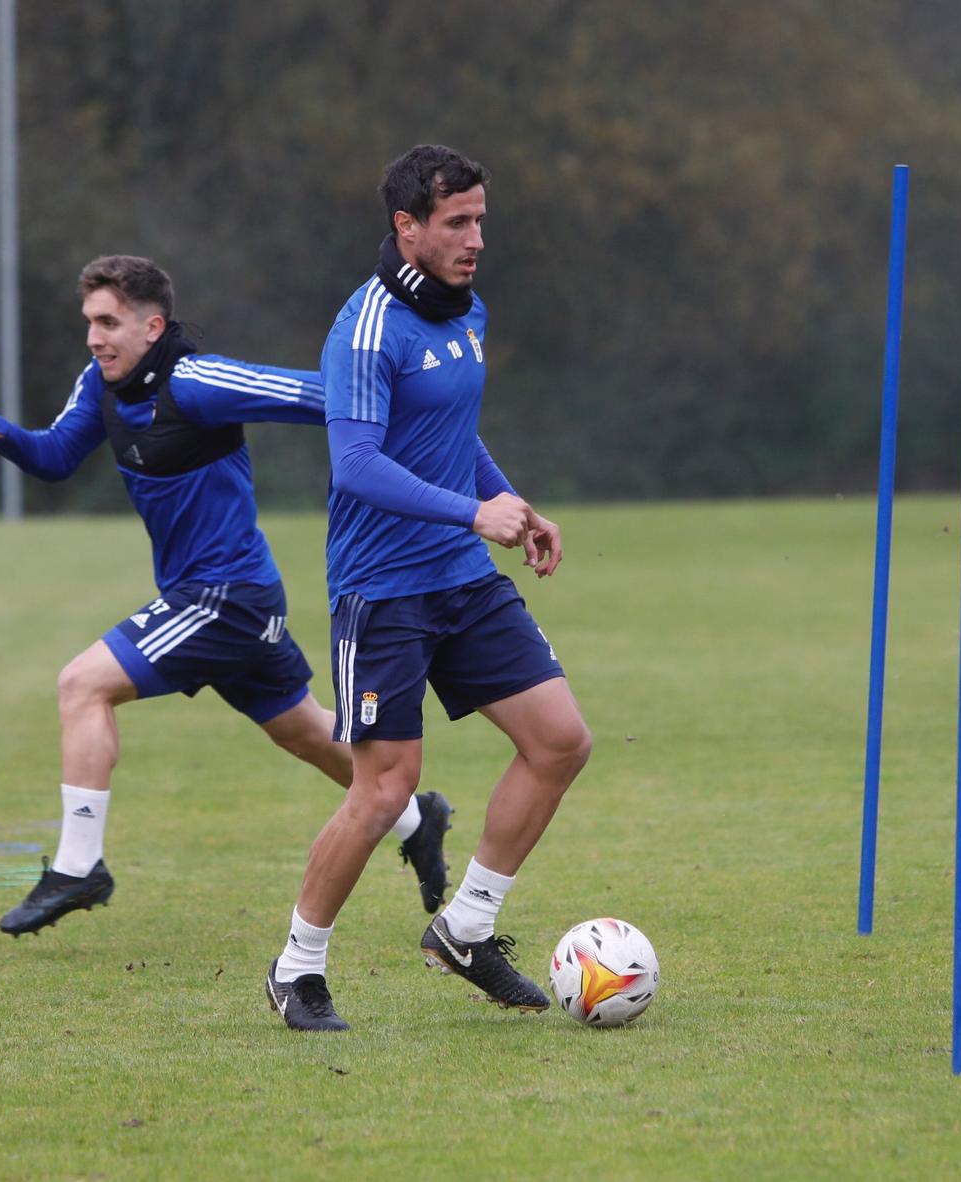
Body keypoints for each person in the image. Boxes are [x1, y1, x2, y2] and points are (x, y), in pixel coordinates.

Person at [0, 254, 453, 937]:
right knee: (308, 735)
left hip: (224, 598)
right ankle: (415, 818)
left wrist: (412, 420)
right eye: (89, 324)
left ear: (152, 325)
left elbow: (321, 399)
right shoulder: (99, 384)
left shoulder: (197, 382)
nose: (95, 338)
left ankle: (78, 867)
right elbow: (55, 457)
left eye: (108, 323)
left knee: (81, 685)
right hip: (231, 599)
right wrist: (5, 437)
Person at [264, 145, 593, 1031]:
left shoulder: (467, 311)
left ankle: (467, 927)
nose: (476, 237)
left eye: (481, 219)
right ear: (405, 227)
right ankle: (297, 968)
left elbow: (453, 433)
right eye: (457, 222)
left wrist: (511, 504)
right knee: (383, 790)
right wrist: (470, 513)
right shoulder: (366, 330)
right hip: (383, 592)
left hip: (462, 576)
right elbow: (358, 465)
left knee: (560, 741)